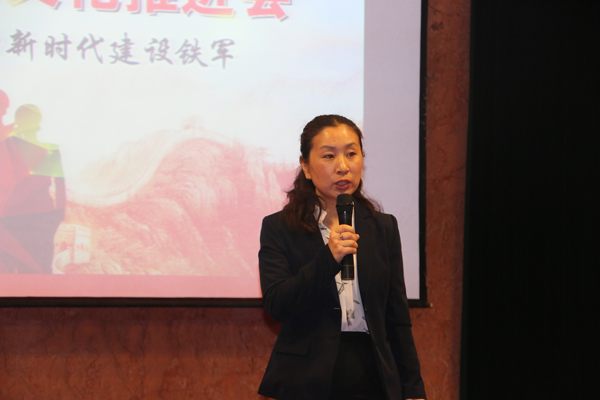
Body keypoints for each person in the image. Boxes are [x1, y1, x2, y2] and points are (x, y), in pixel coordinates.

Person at [258, 115, 426, 400]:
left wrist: (413, 390)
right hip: (305, 378)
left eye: (351, 154)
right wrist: (329, 257)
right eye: (329, 156)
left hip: (373, 374)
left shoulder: (382, 227)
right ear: (305, 166)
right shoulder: (279, 227)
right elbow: (278, 305)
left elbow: (397, 317)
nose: (343, 166)